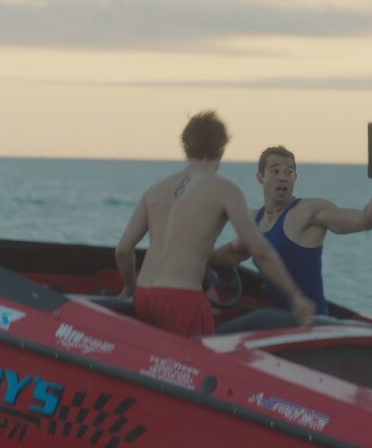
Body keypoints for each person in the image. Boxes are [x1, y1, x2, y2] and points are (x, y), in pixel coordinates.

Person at [114, 111, 315, 337]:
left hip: (144, 295)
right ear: (221, 149)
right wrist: (296, 296)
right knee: (195, 358)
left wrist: (130, 286)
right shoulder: (224, 190)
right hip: (182, 298)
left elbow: (123, 249)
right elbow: (260, 251)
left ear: (185, 146)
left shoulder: (155, 191)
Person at [210, 145, 372, 319]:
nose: (283, 177)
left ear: (295, 177)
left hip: (313, 324)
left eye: (289, 172)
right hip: (278, 322)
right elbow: (231, 253)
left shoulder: (309, 211)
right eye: (275, 171)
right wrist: (197, 261)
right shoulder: (253, 220)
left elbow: (366, 219)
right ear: (260, 178)